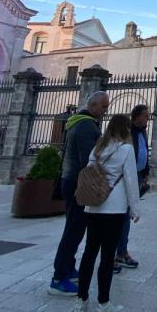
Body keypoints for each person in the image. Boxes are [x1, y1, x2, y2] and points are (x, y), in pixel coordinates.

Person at [74, 114, 140, 312]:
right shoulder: (126, 149)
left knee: (89, 253)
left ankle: (81, 300)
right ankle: (103, 304)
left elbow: (89, 172)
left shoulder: (97, 149)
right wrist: (135, 208)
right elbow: (131, 180)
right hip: (114, 208)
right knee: (107, 257)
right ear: (125, 129)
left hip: (93, 207)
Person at [49, 91, 109, 297]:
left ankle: (68, 267)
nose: (105, 111)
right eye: (102, 107)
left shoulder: (78, 123)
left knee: (74, 228)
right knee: (74, 231)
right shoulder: (85, 126)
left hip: (71, 181)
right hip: (77, 184)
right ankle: (59, 278)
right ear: (92, 105)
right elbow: (89, 161)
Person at [115, 104, 150, 271]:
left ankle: (121, 251)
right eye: (145, 115)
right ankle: (117, 253)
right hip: (126, 177)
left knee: (126, 215)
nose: (148, 118)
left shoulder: (142, 130)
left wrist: (146, 171)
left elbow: (144, 150)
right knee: (120, 214)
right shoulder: (127, 131)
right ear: (136, 117)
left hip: (137, 175)